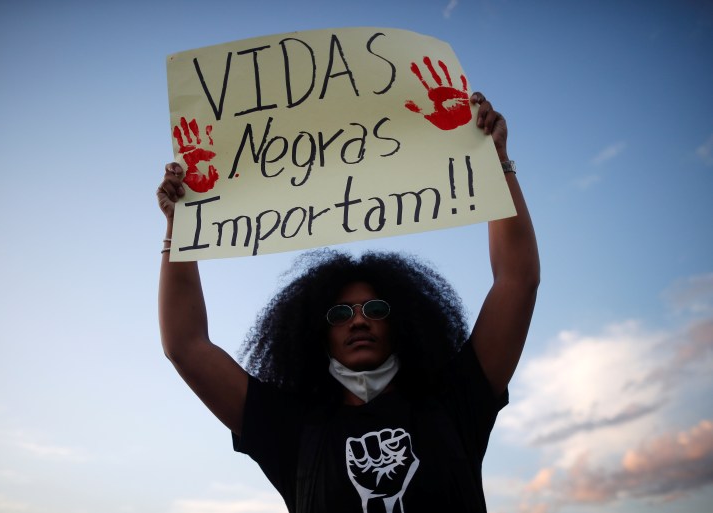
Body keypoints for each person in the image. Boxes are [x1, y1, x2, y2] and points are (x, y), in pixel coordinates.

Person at [156, 92, 540, 513]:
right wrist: (181, 227)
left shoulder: (455, 400)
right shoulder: (292, 427)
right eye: (341, 314)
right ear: (317, 333)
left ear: (402, 324)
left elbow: (517, 280)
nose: (358, 322)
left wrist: (497, 164)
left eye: (375, 310)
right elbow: (186, 346)